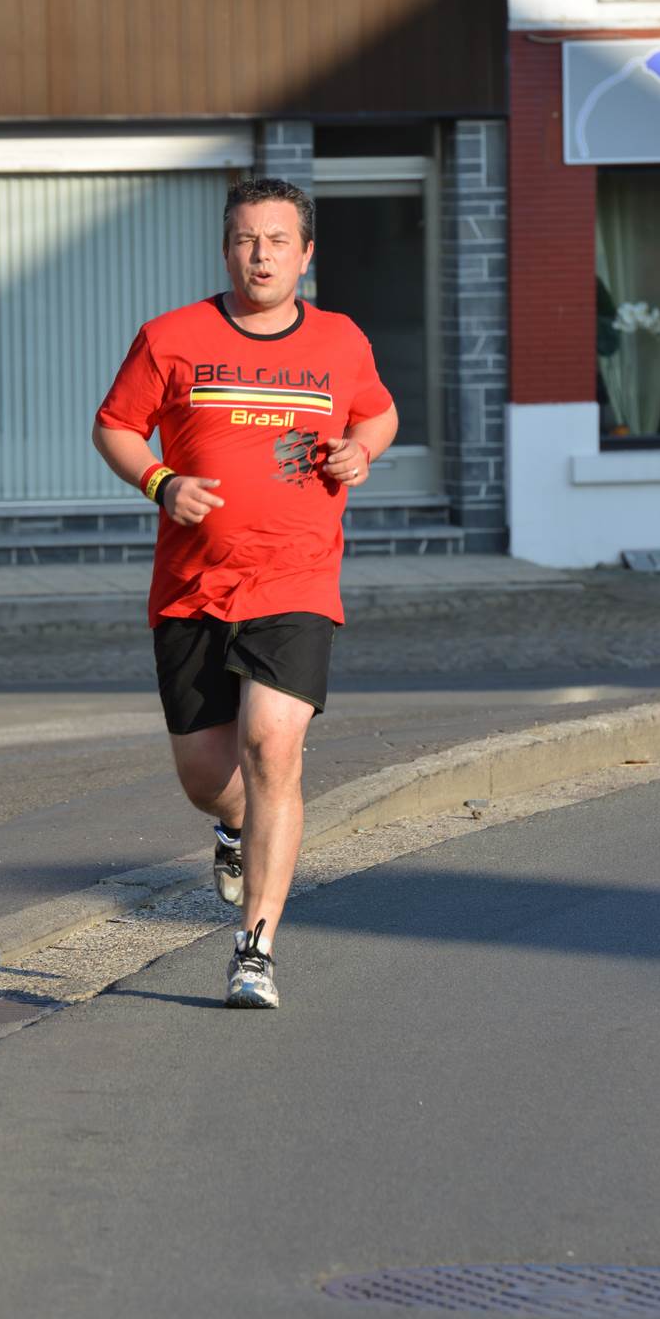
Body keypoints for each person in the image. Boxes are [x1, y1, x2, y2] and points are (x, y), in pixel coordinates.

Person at [92, 178, 398, 1008]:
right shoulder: (172, 337)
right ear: (226, 249)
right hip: (191, 587)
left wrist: (361, 451)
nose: (260, 255)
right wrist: (161, 482)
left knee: (271, 746)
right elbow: (115, 425)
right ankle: (233, 826)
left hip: (297, 577)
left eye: (277, 240)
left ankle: (254, 949)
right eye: (245, 239)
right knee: (206, 775)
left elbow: (378, 412)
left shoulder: (340, 339)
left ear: (306, 254)